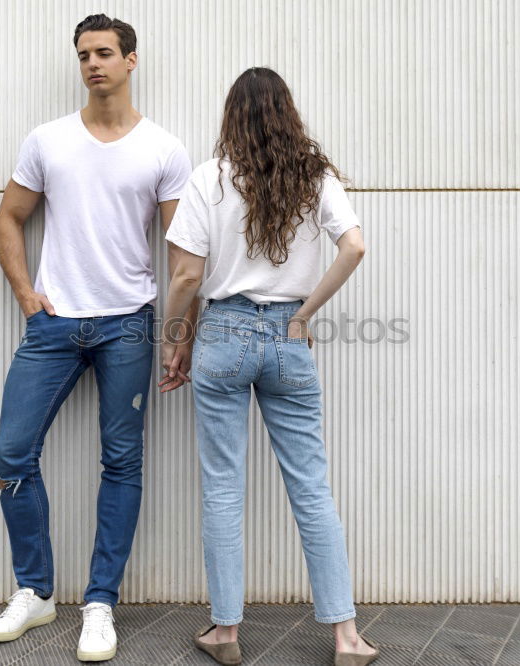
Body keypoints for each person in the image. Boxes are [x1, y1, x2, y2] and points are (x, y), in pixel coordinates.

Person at [0, 13, 196, 662]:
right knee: (12, 454)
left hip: (128, 324)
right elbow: (9, 220)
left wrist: (179, 334)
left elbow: (183, 254)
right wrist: (27, 296)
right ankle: (34, 592)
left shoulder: (163, 148)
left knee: (121, 463)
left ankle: (99, 604)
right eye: (83, 55)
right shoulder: (47, 141)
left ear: (132, 60)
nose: (92, 64)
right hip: (54, 326)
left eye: (104, 53)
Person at [160, 67, 379, 666]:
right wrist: (304, 315)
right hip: (288, 336)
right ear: (288, 112)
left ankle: (226, 633)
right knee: (311, 487)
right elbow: (354, 245)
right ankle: (347, 638)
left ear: (231, 116)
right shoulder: (315, 177)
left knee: (224, 488)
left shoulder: (209, 179)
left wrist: (175, 340)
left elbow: (185, 276)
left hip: (224, 334)